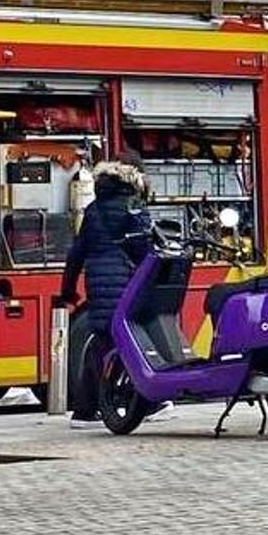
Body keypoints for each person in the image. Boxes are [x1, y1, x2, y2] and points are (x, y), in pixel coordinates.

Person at [60, 153, 173, 428]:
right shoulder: (133, 206)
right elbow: (144, 249)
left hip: (98, 282)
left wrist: (68, 290)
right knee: (132, 339)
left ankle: (84, 412)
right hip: (126, 280)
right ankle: (149, 401)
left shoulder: (94, 209)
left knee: (103, 341)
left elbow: (76, 253)